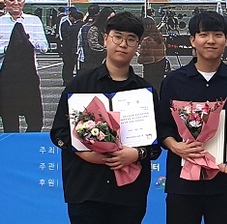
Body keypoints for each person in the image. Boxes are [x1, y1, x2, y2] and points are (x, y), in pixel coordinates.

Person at [51, 12, 161, 224]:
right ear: (105, 39)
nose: (123, 44)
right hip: (86, 189)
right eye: (117, 37)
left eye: (131, 39)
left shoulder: (144, 91)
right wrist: (83, 153)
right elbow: (59, 132)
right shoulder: (80, 85)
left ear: (138, 45)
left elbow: (155, 145)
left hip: (129, 194)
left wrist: (136, 153)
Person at [157, 11, 227, 224]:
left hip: (224, 181)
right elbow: (163, 126)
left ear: (226, 40)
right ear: (192, 40)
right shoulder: (173, 81)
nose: (211, 40)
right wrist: (175, 146)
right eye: (203, 34)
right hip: (182, 183)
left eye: (218, 35)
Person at [0, 0, 48, 132]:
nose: (16, 3)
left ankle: (29, 143)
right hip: (5, 77)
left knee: (35, 120)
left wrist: (28, 41)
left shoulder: (34, 21)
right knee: (9, 120)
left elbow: (44, 47)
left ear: (24, 1)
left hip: (28, 76)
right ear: (5, 1)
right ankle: (13, 144)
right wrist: (6, 49)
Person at [138, 17, 167, 94]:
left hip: (149, 69)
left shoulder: (146, 40)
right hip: (160, 66)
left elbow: (141, 59)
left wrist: (138, 54)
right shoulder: (159, 38)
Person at [83, 7, 115, 71]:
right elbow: (93, 45)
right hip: (94, 61)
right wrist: (108, 51)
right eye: (110, 18)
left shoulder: (111, 29)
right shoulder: (94, 29)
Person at [61, 8, 84, 87]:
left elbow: (66, 37)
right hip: (75, 48)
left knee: (70, 65)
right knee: (74, 65)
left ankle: (68, 80)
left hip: (70, 48)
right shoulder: (83, 26)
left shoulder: (71, 27)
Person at [77, 4, 100, 73]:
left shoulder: (84, 27)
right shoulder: (99, 26)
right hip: (97, 57)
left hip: (86, 56)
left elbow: (80, 43)